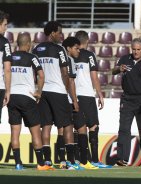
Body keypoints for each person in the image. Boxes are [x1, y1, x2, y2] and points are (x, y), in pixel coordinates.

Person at [32, 21, 81, 170]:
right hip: (58, 91)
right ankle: (70, 162)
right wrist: (68, 93)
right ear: (52, 33)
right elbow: (65, 73)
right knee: (67, 125)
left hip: (43, 92)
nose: (61, 36)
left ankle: (47, 161)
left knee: (46, 126)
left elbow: (36, 72)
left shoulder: (37, 49)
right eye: (59, 32)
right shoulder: (60, 49)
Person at [8, 33, 54, 171]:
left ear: (17, 44)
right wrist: (39, 91)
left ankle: (18, 163)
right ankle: (41, 164)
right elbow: (41, 74)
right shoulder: (32, 57)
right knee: (35, 132)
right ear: (28, 44)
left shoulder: (9, 57)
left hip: (12, 97)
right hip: (27, 97)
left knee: (15, 132)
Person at [112, 38, 141, 167]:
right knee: (124, 129)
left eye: (138, 49)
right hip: (127, 99)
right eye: (134, 49)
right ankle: (122, 159)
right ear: (131, 48)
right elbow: (113, 71)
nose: (136, 52)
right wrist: (119, 69)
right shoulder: (124, 59)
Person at [74, 30, 111, 168]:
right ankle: (94, 160)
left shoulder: (70, 55)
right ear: (87, 41)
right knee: (93, 126)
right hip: (87, 95)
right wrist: (100, 94)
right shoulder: (89, 55)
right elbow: (94, 76)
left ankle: (78, 159)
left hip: (73, 96)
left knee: (77, 128)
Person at [62, 36, 96, 170]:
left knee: (78, 128)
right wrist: (75, 100)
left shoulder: (66, 60)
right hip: (68, 100)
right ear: (69, 49)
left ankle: (77, 161)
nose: (79, 51)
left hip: (65, 99)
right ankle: (73, 161)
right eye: (76, 48)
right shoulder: (69, 60)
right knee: (72, 129)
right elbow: (70, 82)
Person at [0, 10, 12, 122]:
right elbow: (7, 69)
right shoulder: (4, 42)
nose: (6, 28)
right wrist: (8, 91)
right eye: (4, 24)